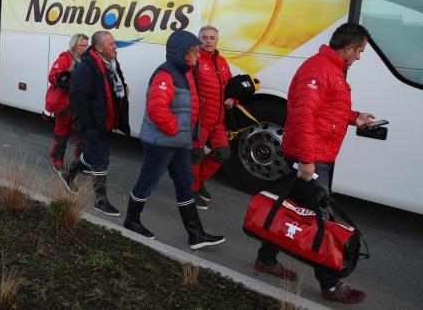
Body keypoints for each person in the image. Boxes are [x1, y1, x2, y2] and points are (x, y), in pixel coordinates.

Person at [253, 23, 374, 304]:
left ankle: (266, 258)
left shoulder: (330, 68)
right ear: (348, 48)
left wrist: (354, 117)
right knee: (320, 219)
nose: (359, 57)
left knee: (291, 208)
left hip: (316, 154)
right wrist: (308, 160)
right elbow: (303, 117)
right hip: (312, 157)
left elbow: (327, 108)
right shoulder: (320, 70)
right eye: (359, 51)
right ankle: (330, 285)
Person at [123, 30, 226, 249]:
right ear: (182, 53)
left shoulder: (185, 72)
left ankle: (196, 235)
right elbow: (157, 109)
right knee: (147, 182)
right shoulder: (165, 74)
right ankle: (131, 221)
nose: (198, 55)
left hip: (177, 141)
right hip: (161, 142)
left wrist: (182, 134)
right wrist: (175, 129)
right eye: (194, 51)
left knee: (185, 183)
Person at [63, 30, 130, 216]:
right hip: (93, 123)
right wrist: (87, 127)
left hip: (106, 120)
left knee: (93, 154)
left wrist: (123, 91)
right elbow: (77, 98)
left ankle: (69, 172)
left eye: (114, 43)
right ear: (99, 48)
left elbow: (118, 85)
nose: (115, 46)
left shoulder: (112, 64)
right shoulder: (86, 67)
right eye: (111, 44)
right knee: (101, 159)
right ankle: (100, 201)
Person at [190, 25, 235, 210]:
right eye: (205, 37)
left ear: (217, 40)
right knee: (195, 156)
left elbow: (230, 85)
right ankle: (191, 191)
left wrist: (233, 98)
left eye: (212, 38)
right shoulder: (195, 59)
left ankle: (199, 181)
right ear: (199, 39)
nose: (208, 41)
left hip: (218, 120)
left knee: (223, 152)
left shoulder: (222, 61)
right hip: (200, 119)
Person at [45, 33, 89, 172]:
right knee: (61, 135)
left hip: (81, 106)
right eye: (81, 45)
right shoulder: (65, 58)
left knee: (82, 136)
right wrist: (66, 81)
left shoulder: (88, 60)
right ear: (74, 45)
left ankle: (79, 163)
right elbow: (52, 77)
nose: (84, 48)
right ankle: (57, 162)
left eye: (86, 45)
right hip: (65, 106)